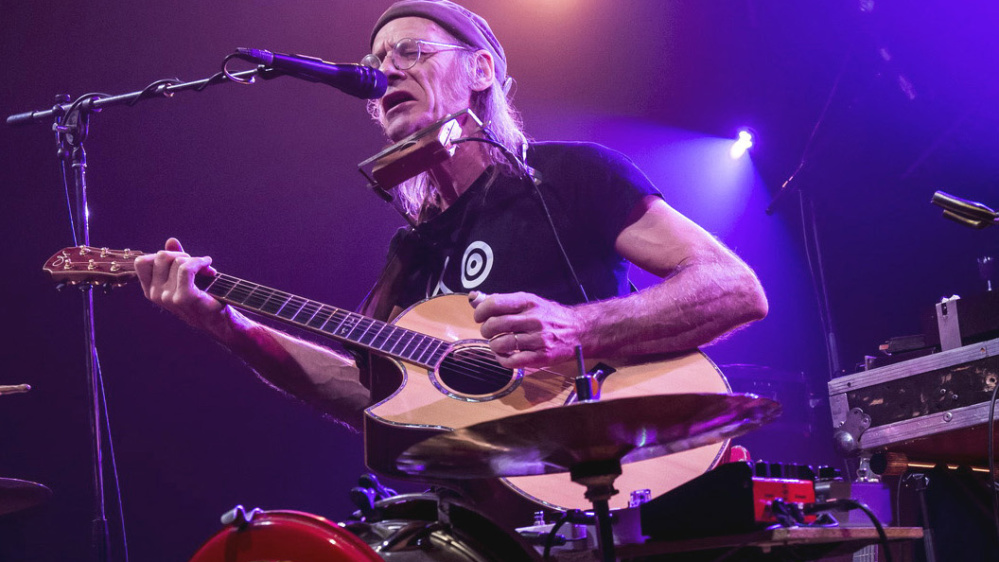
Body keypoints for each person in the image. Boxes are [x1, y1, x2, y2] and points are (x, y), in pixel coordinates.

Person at [135, 0, 768, 524]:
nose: (386, 72)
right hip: (479, 522)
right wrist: (228, 326)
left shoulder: (569, 175)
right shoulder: (410, 252)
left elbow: (734, 288)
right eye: (376, 62)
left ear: (481, 70)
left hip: (600, 493)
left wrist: (579, 329)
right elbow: (368, 395)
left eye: (410, 52)